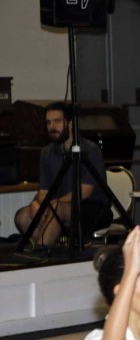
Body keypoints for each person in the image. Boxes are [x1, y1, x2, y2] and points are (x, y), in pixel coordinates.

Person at [14, 102, 111, 247]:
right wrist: (37, 204)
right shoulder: (46, 153)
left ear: (70, 123)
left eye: (57, 121)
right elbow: (43, 191)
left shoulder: (90, 149)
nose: (52, 127)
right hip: (58, 206)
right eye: (48, 122)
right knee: (23, 216)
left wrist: (52, 205)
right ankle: (47, 251)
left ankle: (41, 252)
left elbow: (84, 192)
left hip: (92, 209)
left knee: (57, 209)